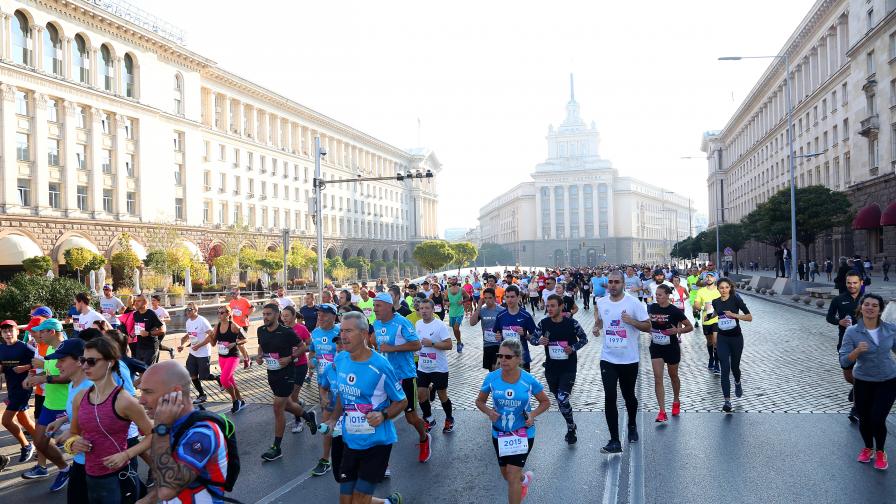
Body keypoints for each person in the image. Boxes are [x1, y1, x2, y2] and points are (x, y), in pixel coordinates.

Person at [323, 312, 404, 504]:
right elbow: (344, 394)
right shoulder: (341, 360)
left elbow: (401, 401)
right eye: (341, 330)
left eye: (348, 331)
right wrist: (334, 418)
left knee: (359, 501)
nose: (343, 336)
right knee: (346, 501)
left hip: (376, 443)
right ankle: (387, 503)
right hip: (350, 441)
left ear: (364, 333)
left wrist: (383, 415)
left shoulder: (380, 365)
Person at [67, 337, 153, 503]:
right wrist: (73, 443)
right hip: (89, 475)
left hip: (118, 478)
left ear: (110, 362)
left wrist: (126, 454)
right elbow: (74, 433)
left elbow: (152, 434)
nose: (84, 366)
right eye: (83, 360)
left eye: (91, 361)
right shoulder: (80, 397)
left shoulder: (124, 401)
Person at [137, 360, 234, 503]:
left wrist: (160, 429)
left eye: (148, 392)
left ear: (175, 393)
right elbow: (169, 470)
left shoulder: (203, 433)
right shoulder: (173, 425)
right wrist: (148, 499)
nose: (141, 400)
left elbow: (167, 490)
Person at [476, 339, 551, 504]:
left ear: (518, 358)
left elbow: (545, 402)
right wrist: (489, 412)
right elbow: (479, 401)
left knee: (511, 476)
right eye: (500, 356)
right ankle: (523, 479)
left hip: (523, 432)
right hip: (499, 433)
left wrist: (532, 415)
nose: (503, 360)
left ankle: (517, 480)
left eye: (508, 357)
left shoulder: (529, 380)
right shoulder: (492, 378)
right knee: (507, 475)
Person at [594, 270, 650, 453]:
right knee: (610, 397)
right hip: (608, 358)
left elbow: (648, 326)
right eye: (610, 282)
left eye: (616, 282)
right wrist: (596, 327)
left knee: (629, 396)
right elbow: (601, 321)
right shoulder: (601, 302)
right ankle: (614, 440)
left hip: (629, 359)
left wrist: (632, 321)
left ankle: (632, 424)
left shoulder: (633, 303)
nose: (613, 285)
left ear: (623, 284)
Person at [839, 293, 896, 471]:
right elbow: (844, 361)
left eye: (875, 305)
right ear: (861, 307)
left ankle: (880, 451)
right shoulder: (852, 331)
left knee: (877, 418)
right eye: (867, 304)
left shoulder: (890, 329)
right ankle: (867, 448)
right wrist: (856, 352)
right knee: (864, 418)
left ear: (880, 310)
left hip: (887, 380)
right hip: (863, 381)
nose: (870, 308)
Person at [372, 292, 430, 463]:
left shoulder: (401, 322)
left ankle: (424, 437)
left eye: (378, 305)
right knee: (383, 415)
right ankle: (383, 462)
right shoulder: (375, 323)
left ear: (389, 306)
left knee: (411, 418)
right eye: (374, 305)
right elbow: (376, 342)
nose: (375, 309)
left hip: (405, 376)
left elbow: (417, 344)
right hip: (385, 378)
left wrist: (393, 348)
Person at [256, 303, 318, 462]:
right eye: (264, 314)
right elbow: (261, 346)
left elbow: (303, 346)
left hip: (288, 372)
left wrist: (290, 358)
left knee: (278, 407)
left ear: (277, 316)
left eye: (268, 314)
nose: (265, 317)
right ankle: (308, 416)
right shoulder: (261, 330)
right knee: (288, 404)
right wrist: (259, 356)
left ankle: (276, 447)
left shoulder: (287, 332)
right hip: (272, 373)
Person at [21, 318, 72, 490]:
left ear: (51, 332)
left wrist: (42, 378)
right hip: (49, 403)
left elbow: (70, 377)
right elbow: (47, 370)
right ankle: (65, 469)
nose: (37, 334)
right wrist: (32, 377)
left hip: (66, 406)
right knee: (39, 442)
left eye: (42, 331)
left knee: (78, 448)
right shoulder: (50, 348)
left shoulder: (68, 350)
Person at [42, 338, 92, 502]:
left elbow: (103, 426)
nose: (57, 366)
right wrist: (64, 419)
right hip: (80, 460)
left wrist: (73, 437)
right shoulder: (73, 385)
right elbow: (82, 414)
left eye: (62, 360)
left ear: (79, 361)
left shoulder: (90, 389)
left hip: (96, 465)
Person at [535, 294, 588, 444]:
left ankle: (570, 427)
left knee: (562, 397)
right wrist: (539, 341)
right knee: (559, 399)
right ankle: (571, 423)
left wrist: (573, 348)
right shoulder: (544, 323)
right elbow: (532, 338)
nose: (549, 309)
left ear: (560, 306)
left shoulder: (572, 323)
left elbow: (584, 339)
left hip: (568, 367)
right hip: (551, 368)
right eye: (547, 306)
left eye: (552, 306)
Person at [648, 285, 692, 422]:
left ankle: (676, 399)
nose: (657, 296)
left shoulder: (674, 311)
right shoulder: (652, 308)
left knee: (673, 376)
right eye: (656, 294)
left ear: (668, 295)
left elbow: (689, 327)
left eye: (660, 294)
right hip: (656, 346)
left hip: (671, 347)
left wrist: (677, 331)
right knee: (658, 378)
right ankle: (662, 411)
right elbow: (647, 322)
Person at [712, 278, 752, 413]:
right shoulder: (715, 301)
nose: (724, 290)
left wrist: (734, 315)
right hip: (723, 339)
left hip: (736, 339)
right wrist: (709, 316)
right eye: (721, 287)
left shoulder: (736, 299)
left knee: (735, 367)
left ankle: (737, 382)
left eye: (726, 287)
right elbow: (717, 312)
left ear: (730, 288)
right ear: (717, 288)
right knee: (725, 368)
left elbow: (749, 317)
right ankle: (727, 401)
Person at [827, 271, 863, 422]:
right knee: (848, 375)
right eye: (849, 283)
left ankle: (857, 408)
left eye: (855, 282)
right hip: (845, 343)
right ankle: (857, 388)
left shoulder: (867, 300)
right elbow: (829, 317)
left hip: (864, 343)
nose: (852, 285)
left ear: (861, 283)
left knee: (862, 374)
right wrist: (839, 322)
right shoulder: (838, 299)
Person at [415, 299, 455, 434]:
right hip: (423, 367)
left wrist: (432, 343)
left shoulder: (439, 325)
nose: (424, 311)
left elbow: (449, 345)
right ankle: (429, 418)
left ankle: (449, 418)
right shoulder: (418, 323)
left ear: (433, 310)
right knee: (421, 394)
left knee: (442, 394)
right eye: (421, 308)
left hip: (439, 367)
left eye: (427, 308)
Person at [0, 320, 36, 465]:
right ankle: (44, 444)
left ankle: (26, 445)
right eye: (4, 331)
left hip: (24, 388)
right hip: (12, 387)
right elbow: (2, 367)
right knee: (24, 420)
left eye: (10, 330)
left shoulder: (25, 347)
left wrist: (26, 367)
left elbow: (40, 362)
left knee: (6, 421)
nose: (8, 334)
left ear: (17, 331)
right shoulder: (1, 348)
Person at [279, 306, 312, 434]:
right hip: (286, 366)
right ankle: (299, 403)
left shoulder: (301, 328)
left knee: (292, 397)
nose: (284, 318)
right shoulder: (281, 329)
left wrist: (299, 350)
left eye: (287, 316)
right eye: (283, 316)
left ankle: (298, 421)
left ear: (294, 316)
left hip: (300, 365)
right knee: (290, 398)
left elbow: (310, 345)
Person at [176, 302, 215, 405]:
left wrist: (200, 345)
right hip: (193, 353)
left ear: (196, 310)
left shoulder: (202, 321)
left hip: (203, 353)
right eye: (186, 310)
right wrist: (182, 345)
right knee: (192, 375)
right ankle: (202, 395)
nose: (187, 312)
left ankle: (218, 378)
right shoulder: (188, 322)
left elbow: (211, 335)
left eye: (190, 309)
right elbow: (190, 335)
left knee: (204, 376)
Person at [494, 285, 539, 373]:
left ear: (518, 297)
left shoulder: (526, 316)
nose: (509, 300)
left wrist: (524, 334)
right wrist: (498, 337)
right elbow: (497, 334)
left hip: (522, 358)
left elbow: (534, 338)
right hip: (506, 359)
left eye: (512, 297)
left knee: (524, 386)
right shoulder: (500, 316)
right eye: (507, 297)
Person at [212, 306, 247, 414]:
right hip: (222, 357)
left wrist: (234, 343)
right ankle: (241, 400)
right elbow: (213, 343)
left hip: (233, 356)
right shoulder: (217, 326)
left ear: (228, 313)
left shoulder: (233, 325)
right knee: (230, 381)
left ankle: (234, 400)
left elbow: (245, 339)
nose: (219, 315)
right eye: (218, 313)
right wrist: (210, 337)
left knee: (223, 379)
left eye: (222, 313)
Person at [471, 287, 505, 371]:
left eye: (490, 298)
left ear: (494, 298)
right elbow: (472, 323)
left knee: (496, 368)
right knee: (491, 370)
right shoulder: (482, 310)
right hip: (487, 344)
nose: (487, 300)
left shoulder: (501, 310)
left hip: (499, 344)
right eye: (485, 298)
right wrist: (478, 307)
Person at [693, 272, 721, 374]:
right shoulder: (701, 291)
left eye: (711, 276)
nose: (709, 278)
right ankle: (711, 358)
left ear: (715, 278)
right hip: (706, 320)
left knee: (716, 342)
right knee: (709, 342)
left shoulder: (719, 290)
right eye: (707, 277)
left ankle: (717, 364)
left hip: (717, 319)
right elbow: (696, 303)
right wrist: (701, 307)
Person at [131, 294, 164, 366]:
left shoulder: (151, 314)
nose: (136, 303)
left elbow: (162, 330)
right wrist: (133, 334)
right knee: (140, 371)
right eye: (135, 301)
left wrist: (148, 333)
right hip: (139, 347)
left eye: (138, 301)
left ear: (145, 302)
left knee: (147, 371)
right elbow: (138, 327)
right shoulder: (135, 314)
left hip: (150, 347)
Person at [150, 295, 176, 361]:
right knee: (157, 345)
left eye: (154, 300)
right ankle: (170, 349)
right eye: (152, 300)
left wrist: (162, 320)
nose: (152, 302)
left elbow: (169, 318)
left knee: (156, 346)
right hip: (153, 330)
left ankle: (156, 362)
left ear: (158, 302)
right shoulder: (149, 309)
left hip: (161, 330)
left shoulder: (162, 310)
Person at [446, 281, 469, 353]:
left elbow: (468, 297)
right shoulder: (447, 291)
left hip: (460, 312)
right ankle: (459, 342)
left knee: (456, 327)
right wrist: (447, 303)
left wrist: (462, 302)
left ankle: (458, 342)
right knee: (454, 329)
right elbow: (445, 300)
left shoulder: (461, 290)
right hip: (452, 313)